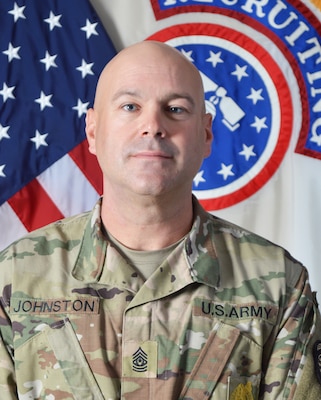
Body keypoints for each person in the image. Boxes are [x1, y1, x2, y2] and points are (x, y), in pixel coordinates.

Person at [0, 41, 320, 400]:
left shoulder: (279, 284)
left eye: (176, 109)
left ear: (206, 133)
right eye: (130, 106)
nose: (152, 125)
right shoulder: (14, 277)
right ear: (93, 131)